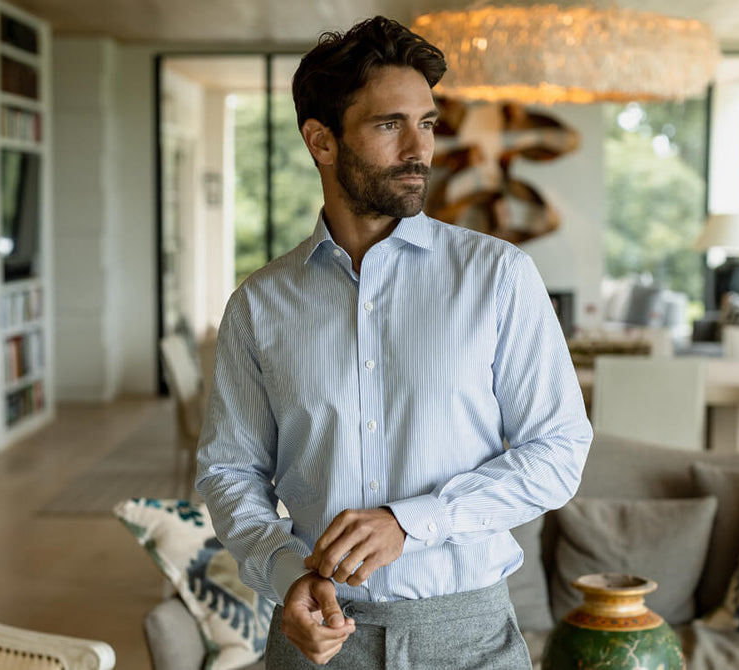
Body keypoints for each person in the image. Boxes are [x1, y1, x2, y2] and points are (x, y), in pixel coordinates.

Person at [196, 16, 592, 670]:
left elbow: (559, 452)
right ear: (321, 141)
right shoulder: (260, 304)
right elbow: (229, 471)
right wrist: (287, 573)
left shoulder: (498, 277)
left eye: (428, 123)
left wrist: (413, 520)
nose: (420, 148)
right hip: (315, 634)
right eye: (389, 125)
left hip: (468, 634)